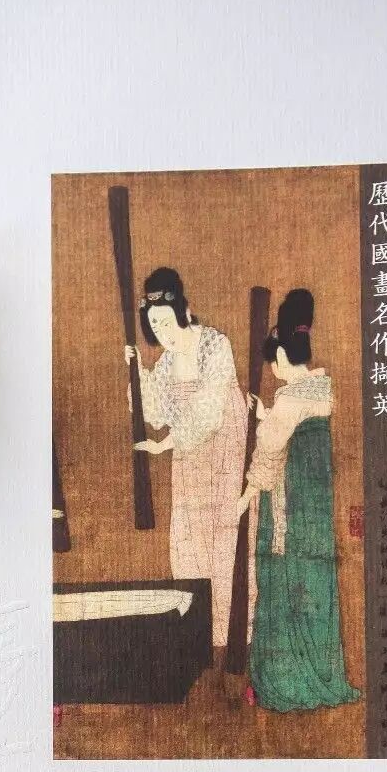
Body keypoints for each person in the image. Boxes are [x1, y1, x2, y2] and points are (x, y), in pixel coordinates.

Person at [234, 288, 360, 712]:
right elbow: (293, 432)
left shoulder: (289, 399)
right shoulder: (321, 389)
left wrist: (246, 495)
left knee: (282, 582)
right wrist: (265, 414)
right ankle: (323, 673)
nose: (273, 371)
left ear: (284, 358)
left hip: (288, 508)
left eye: (274, 363)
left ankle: (282, 681)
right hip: (315, 509)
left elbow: (270, 452)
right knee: (314, 581)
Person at [127, 267, 245, 654]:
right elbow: (156, 414)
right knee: (189, 539)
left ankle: (234, 632)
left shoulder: (215, 345)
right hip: (189, 461)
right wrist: (137, 373)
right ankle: (201, 631)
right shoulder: (166, 362)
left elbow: (210, 410)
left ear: (184, 311)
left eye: (165, 322)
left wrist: (166, 444)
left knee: (225, 537)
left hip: (224, 456)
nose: (162, 332)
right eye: (154, 326)